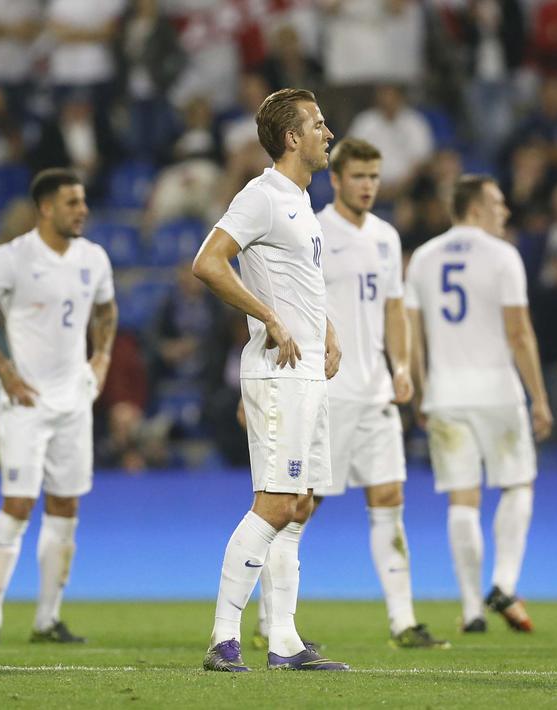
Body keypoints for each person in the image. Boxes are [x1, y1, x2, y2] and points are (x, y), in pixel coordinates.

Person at [253, 137, 448, 649]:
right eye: (358, 176)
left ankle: (403, 622)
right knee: (298, 505)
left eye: (374, 177)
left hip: (375, 392)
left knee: (389, 497)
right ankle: (272, 617)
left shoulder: (386, 237)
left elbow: (394, 309)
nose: (367, 186)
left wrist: (401, 367)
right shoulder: (314, 228)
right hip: (326, 390)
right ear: (336, 179)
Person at [191, 87, 346, 672]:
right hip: (278, 372)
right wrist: (269, 317)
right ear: (292, 138)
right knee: (276, 502)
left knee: (300, 505)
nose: (327, 134)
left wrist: (325, 328)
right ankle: (224, 639)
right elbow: (208, 262)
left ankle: (284, 640)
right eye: (319, 124)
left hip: (307, 370)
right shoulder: (261, 196)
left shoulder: (301, 202)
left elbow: (296, 280)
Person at [0, 168, 117, 645]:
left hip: (75, 401)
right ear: (46, 208)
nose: (82, 210)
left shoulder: (95, 258)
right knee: (19, 505)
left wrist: (101, 357)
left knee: (66, 506)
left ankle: (47, 618)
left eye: (83, 202)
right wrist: (4, 369)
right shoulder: (13, 258)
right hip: (26, 402)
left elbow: (106, 312)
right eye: (72, 203)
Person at [405, 174, 552, 634]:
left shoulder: (424, 258)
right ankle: (504, 582)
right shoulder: (503, 255)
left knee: (462, 499)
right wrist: (539, 397)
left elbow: (413, 335)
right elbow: (519, 333)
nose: (505, 211)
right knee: (518, 483)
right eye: (498, 203)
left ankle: (471, 608)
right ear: (474, 208)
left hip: (446, 394)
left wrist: (421, 388)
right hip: (497, 392)